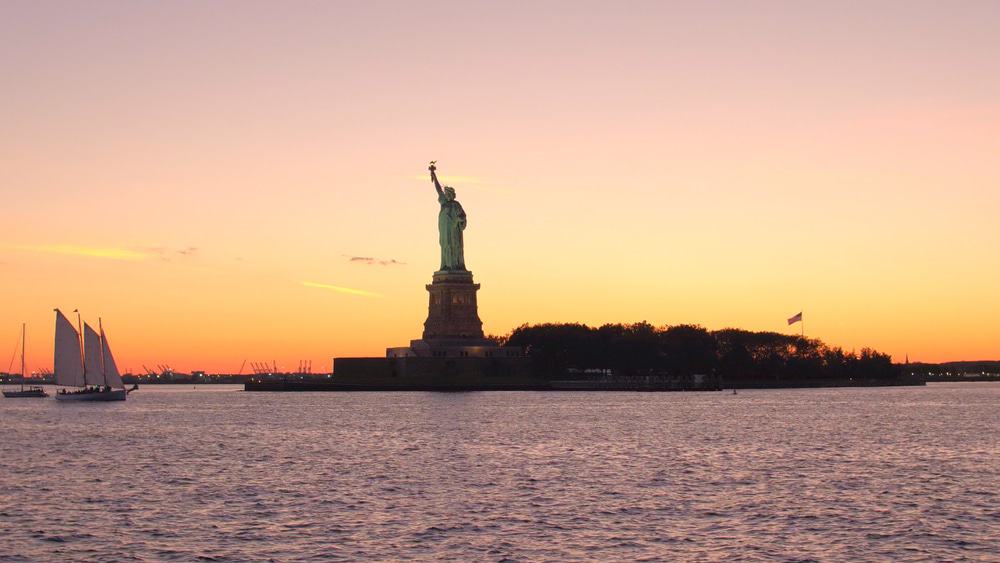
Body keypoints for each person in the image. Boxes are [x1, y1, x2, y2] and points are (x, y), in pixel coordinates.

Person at [429, 162, 468, 272]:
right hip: (445, 231)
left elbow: (463, 218)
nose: (445, 195)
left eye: (447, 193)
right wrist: (434, 175)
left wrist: (461, 220)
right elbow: (438, 189)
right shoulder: (444, 203)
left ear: (451, 194)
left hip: (454, 232)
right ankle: (446, 265)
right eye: (445, 193)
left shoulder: (456, 205)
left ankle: (455, 266)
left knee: (455, 247)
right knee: (445, 247)